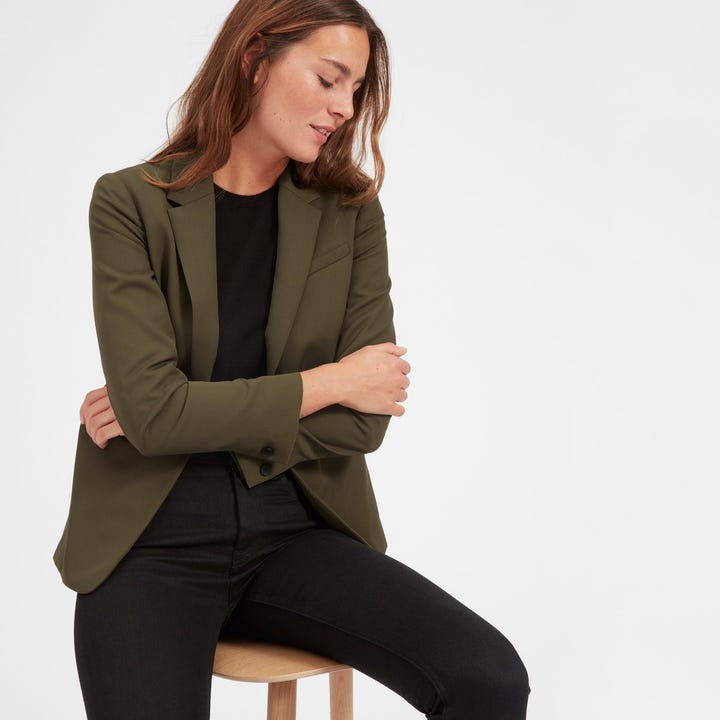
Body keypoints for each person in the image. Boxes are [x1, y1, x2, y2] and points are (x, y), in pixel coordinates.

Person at [53, 1, 531, 718]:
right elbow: (158, 416)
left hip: (296, 528)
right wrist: (333, 381)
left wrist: (183, 412)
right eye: (329, 79)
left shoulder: (351, 213)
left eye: (356, 90)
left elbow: (363, 422)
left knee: (487, 679)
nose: (345, 108)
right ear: (255, 59)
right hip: (150, 538)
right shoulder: (131, 203)